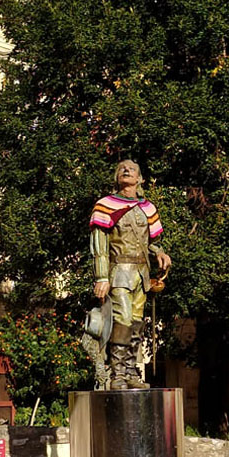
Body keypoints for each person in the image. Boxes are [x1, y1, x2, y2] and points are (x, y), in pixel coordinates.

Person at [89, 160, 172, 390]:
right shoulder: (105, 206)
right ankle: (117, 374)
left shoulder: (148, 208)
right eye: (122, 168)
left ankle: (131, 371)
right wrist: (101, 277)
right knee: (123, 320)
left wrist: (160, 253)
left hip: (141, 275)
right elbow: (99, 245)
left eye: (132, 168)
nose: (127, 170)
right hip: (118, 273)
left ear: (140, 179)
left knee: (136, 323)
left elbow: (152, 242)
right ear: (116, 177)